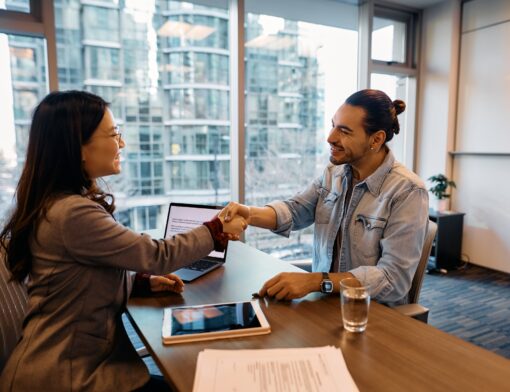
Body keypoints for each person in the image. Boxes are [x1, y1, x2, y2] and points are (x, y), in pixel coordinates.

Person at [0, 90, 247, 392]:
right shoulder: (72, 213)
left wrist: (139, 282)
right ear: (78, 147)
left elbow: (78, 280)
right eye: (114, 134)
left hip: (63, 364)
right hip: (68, 376)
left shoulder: (56, 204)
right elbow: (157, 255)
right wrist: (216, 229)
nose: (122, 143)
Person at [224, 89, 429, 305]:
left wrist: (316, 282)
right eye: (333, 126)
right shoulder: (334, 173)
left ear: (376, 139)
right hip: (327, 304)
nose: (330, 138)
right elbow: (295, 211)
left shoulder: (408, 192)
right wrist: (247, 213)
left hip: (373, 315)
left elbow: (393, 280)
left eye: (345, 131)